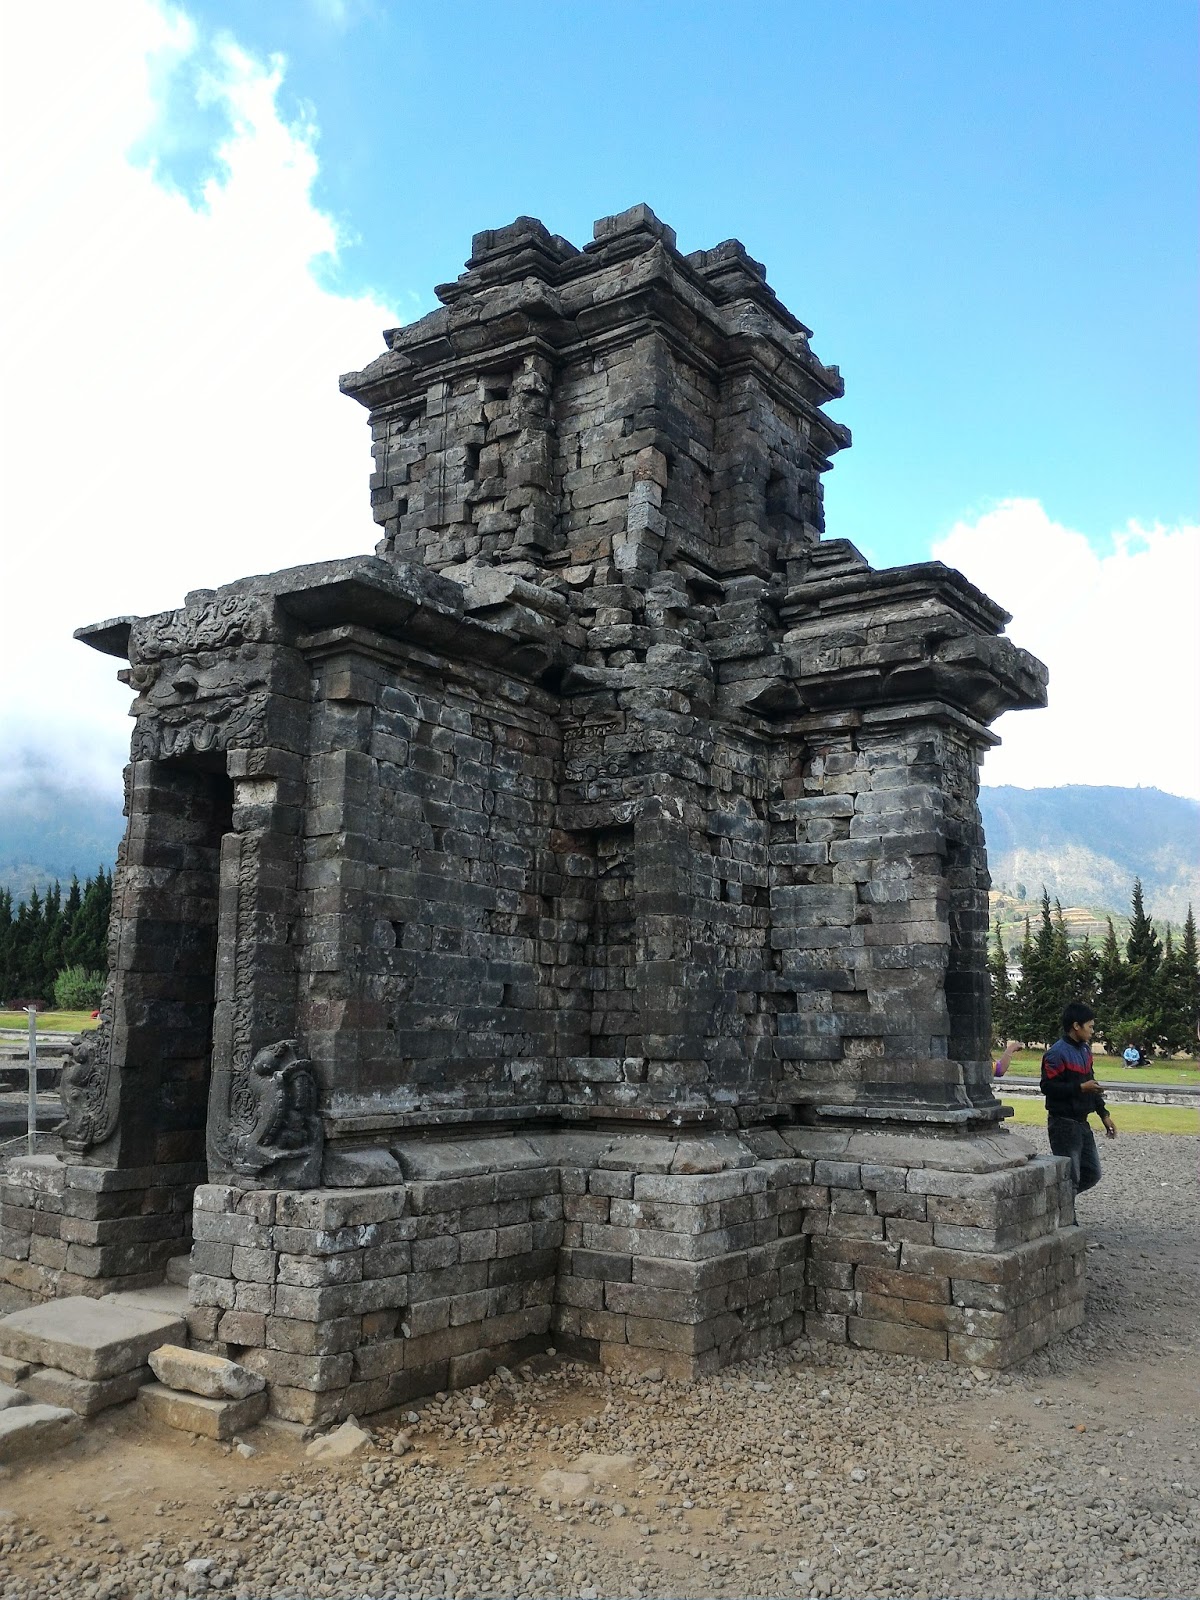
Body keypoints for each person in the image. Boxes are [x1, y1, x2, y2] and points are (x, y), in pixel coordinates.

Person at [1040, 1002, 1116, 1193]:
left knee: (1092, 1172)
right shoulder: (1056, 1054)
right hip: (1063, 1124)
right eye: (1090, 1026)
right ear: (1076, 1026)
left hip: (1082, 1122)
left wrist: (1104, 1114)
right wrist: (1080, 1087)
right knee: (1070, 1178)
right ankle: (1066, 1218)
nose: (1092, 1031)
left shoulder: (1084, 1050)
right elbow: (1047, 1087)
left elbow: (1092, 1084)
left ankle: (1059, 1204)